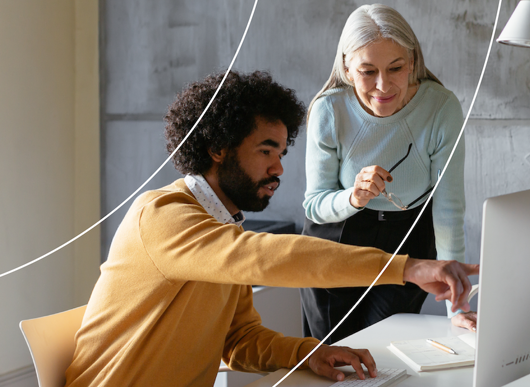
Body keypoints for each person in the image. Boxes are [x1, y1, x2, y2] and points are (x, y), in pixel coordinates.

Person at [64, 70, 477, 386]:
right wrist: (406, 267)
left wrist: (308, 352)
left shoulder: (221, 228)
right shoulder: (162, 214)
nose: (278, 169)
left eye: (281, 152)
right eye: (266, 151)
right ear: (218, 147)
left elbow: (239, 339)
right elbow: (268, 257)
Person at [301, 4, 476, 344]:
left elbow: (448, 210)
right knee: (331, 354)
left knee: (384, 349)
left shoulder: (442, 109)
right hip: (337, 237)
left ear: (412, 61)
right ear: (347, 68)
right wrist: (352, 197)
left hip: (409, 235)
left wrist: (458, 308)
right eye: (368, 71)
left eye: (395, 68)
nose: (383, 86)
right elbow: (314, 205)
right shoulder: (329, 110)